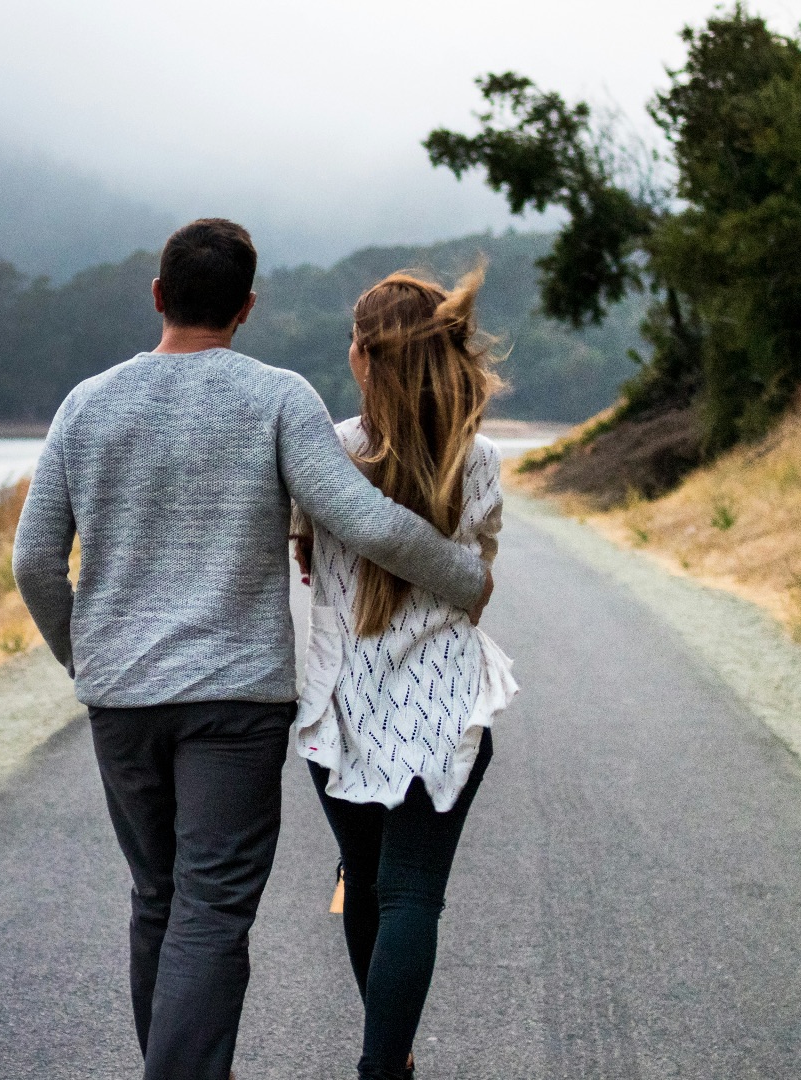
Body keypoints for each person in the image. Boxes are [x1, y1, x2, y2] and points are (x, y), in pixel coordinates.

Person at [11, 219, 493, 1080]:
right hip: (234, 707)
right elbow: (366, 521)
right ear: (247, 308)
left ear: (158, 296)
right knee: (211, 910)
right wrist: (464, 577)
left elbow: (34, 560)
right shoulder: (275, 397)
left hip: (121, 703)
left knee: (156, 900)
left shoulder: (85, 404)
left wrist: (81, 656)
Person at [289, 267, 518, 1080]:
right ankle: (383, 1066)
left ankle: (393, 1058)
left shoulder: (327, 456)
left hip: (343, 710)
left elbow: (306, 555)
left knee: (366, 883)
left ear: (363, 357)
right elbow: (479, 574)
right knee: (413, 892)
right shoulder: (480, 457)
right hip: (447, 706)